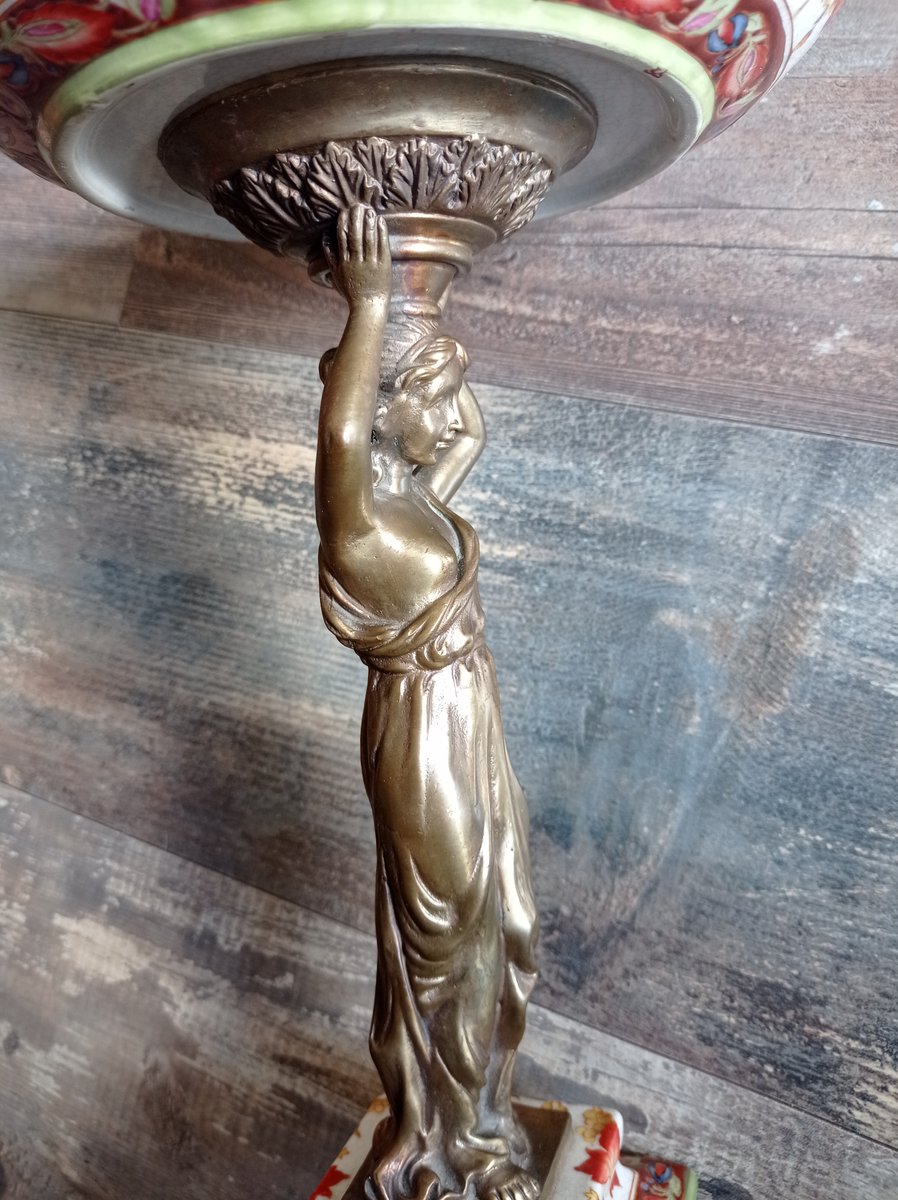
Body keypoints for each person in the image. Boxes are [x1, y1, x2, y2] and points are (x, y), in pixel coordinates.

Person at [317, 205, 539, 1200]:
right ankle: (456, 1144)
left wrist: (429, 323)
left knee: (507, 917)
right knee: (443, 937)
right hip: (419, 735)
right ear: (384, 408)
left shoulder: (421, 497)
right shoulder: (362, 523)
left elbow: (468, 430)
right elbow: (340, 430)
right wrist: (371, 307)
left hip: (471, 716)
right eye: (435, 402)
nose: (453, 422)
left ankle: (476, 1118)